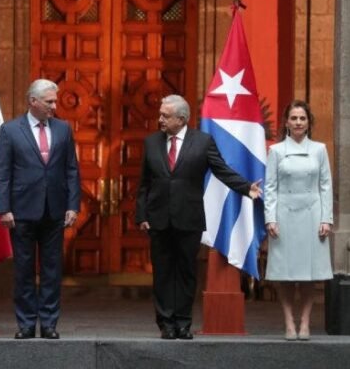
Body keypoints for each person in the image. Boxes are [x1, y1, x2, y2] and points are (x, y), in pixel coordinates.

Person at [136, 94, 262, 340]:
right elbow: (144, 183)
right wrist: (142, 215)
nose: (160, 119)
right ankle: (166, 323)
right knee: (162, 273)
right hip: (158, 218)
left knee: (186, 272)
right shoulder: (151, 142)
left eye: (165, 116)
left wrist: (247, 187)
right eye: (161, 114)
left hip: (189, 218)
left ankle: (183, 323)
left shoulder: (203, 142)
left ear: (182, 119)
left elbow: (221, 170)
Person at [0, 79, 81, 340]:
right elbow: (2, 173)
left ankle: (50, 323)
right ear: (33, 101)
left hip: (54, 210)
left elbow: (71, 169)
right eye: (49, 101)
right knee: (24, 270)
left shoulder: (63, 129)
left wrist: (72, 205)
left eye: (55, 101)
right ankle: (26, 324)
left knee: (52, 270)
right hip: (21, 211)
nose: (54, 106)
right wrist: (3, 208)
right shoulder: (10, 130)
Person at [264, 100, 333, 341]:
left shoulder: (319, 149)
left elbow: (326, 186)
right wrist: (270, 218)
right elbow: (270, 187)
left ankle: (305, 322)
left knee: (309, 273)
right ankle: (288, 322)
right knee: (285, 273)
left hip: (312, 216)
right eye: (293, 118)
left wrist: (326, 219)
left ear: (309, 122)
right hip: (284, 216)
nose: (298, 122)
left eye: (302, 118)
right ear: (286, 122)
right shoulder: (276, 151)